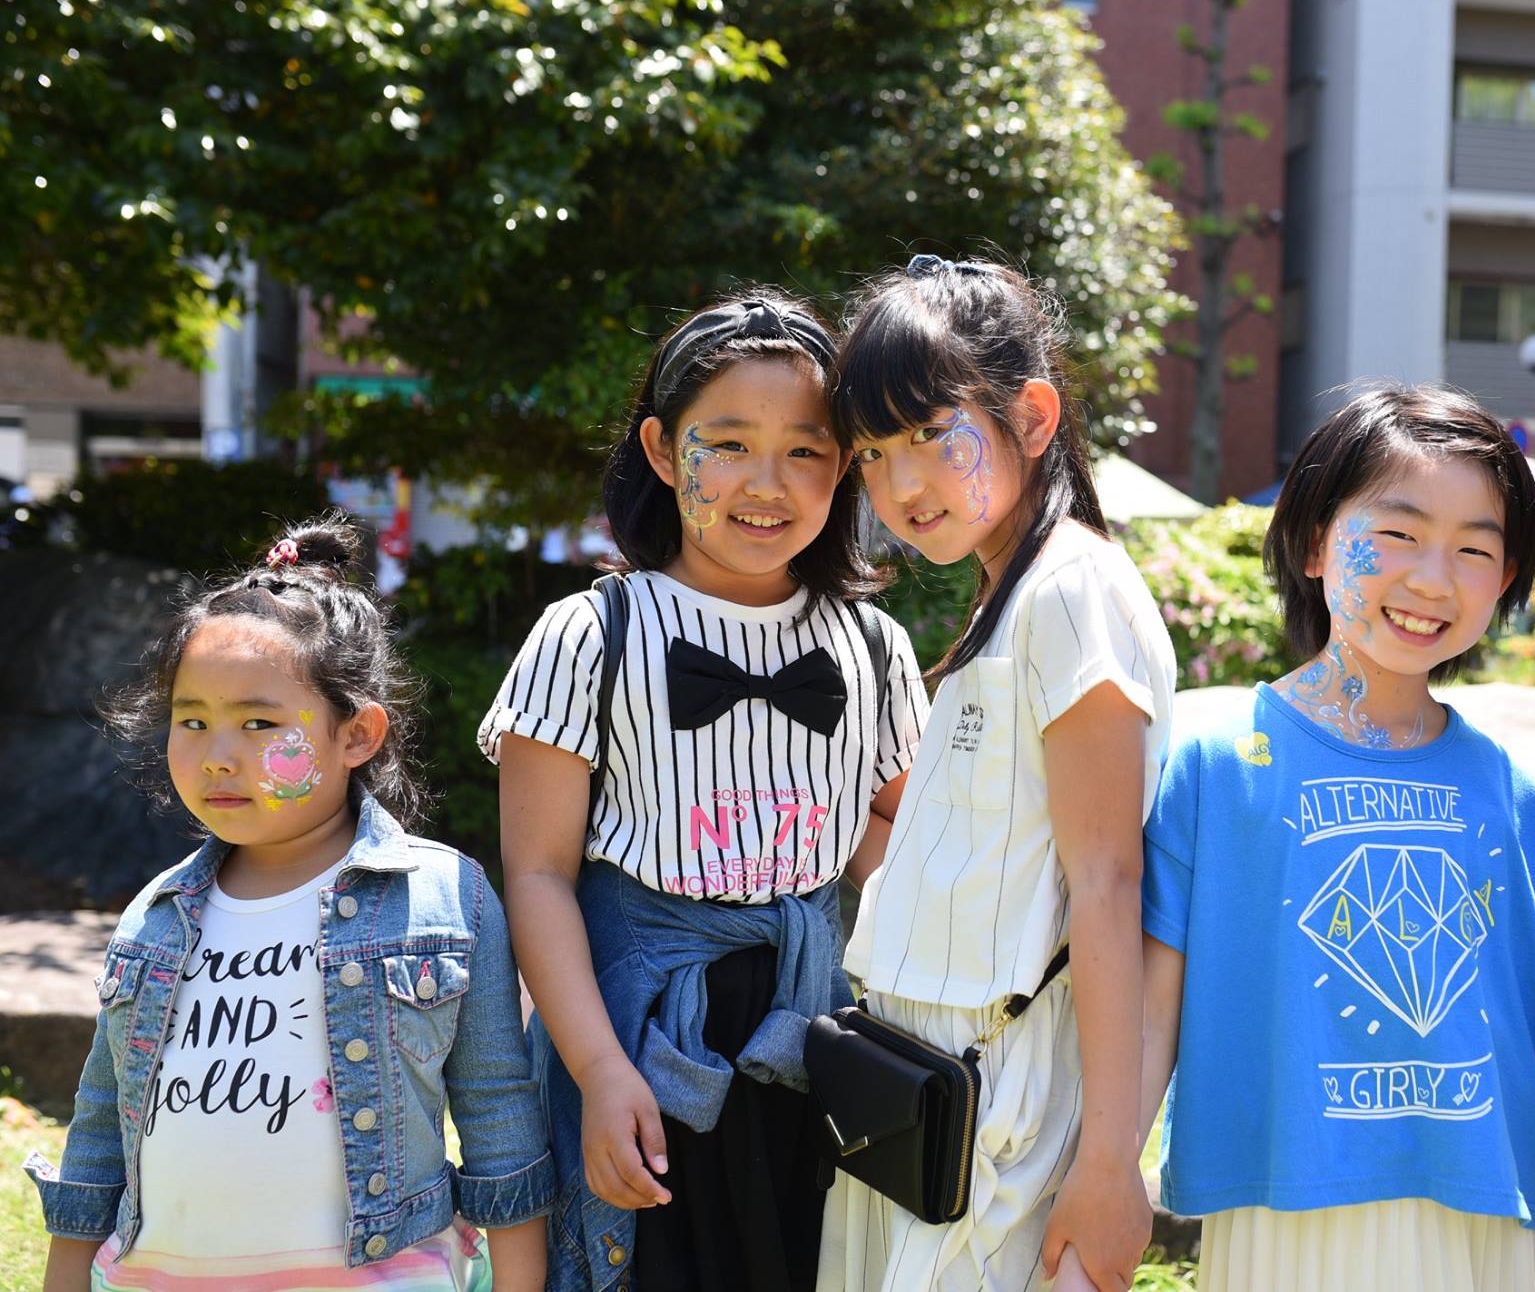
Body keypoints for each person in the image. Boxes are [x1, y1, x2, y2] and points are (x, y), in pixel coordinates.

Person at [482, 290, 927, 1291]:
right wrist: (599, 1071)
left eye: (806, 450)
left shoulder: (871, 645)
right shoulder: (589, 635)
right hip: (636, 1034)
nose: (766, 483)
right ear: (659, 446)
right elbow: (539, 874)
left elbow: (894, 831)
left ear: (846, 465)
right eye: (726, 444)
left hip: (809, 1034)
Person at [31, 515, 553, 1292]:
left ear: (357, 734)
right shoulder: (156, 913)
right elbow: (101, 1126)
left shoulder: (443, 899)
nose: (217, 755)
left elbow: (498, 1115)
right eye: (192, 720)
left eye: (258, 722)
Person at [1135, 385, 1535, 1292]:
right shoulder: (1216, 768)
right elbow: (1151, 1016)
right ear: (1314, 543)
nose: (1433, 579)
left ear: (1505, 580)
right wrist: (1105, 1173)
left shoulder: (1513, 792)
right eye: (1400, 533)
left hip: (1482, 1224)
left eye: (1474, 550)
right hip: (1284, 1212)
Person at [815, 254, 1177, 1292]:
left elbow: (1107, 883)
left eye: (932, 432)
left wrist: (1109, 1161)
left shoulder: (1069, 590)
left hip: (1003, 1094)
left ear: (1032, 416)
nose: (901, 485)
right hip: (924, 1084)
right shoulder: (1009, 595)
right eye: (873, 450)